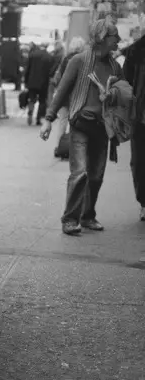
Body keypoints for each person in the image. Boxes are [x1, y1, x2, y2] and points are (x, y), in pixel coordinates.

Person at [40, 17, 122, 236]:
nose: (119, 41)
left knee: (96, 175)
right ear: (103, 38)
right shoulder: (79, 61)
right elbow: (62, 90)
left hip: (103, 128)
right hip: (81, 125)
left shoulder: (115, 66)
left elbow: (122, 96)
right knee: (80, 173)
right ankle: (70, 218)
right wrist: (49, 119)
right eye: (115, 36)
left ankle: (87, 216)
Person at [123, 30, 145, 221]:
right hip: (140, 117)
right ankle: (144, 202)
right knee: (139, 162)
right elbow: (126, 83)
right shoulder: (136, 51)